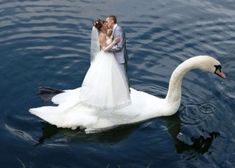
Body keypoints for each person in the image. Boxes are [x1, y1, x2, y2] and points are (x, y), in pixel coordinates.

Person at [79, 19, 131, 110]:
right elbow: (104, 49)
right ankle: (103, 100)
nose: (107, 24)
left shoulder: (106, 33)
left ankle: (113, 98)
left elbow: (109, 39)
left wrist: (111, 36)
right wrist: (114, 42)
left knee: (112, 78)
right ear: (102, 26)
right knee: (105, 78)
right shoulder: (102, 35)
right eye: (105, 23)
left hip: (110, 57)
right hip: (105, 57)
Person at [105, 15, 130, 88]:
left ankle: (127, 93)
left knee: (123, 77)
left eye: (107, 22)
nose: (106, 23)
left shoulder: (118, 30)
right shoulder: (114, 30)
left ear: (112, 21)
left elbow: (119, 46)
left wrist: (108, 49)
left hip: (120, 58)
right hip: (117, 57)